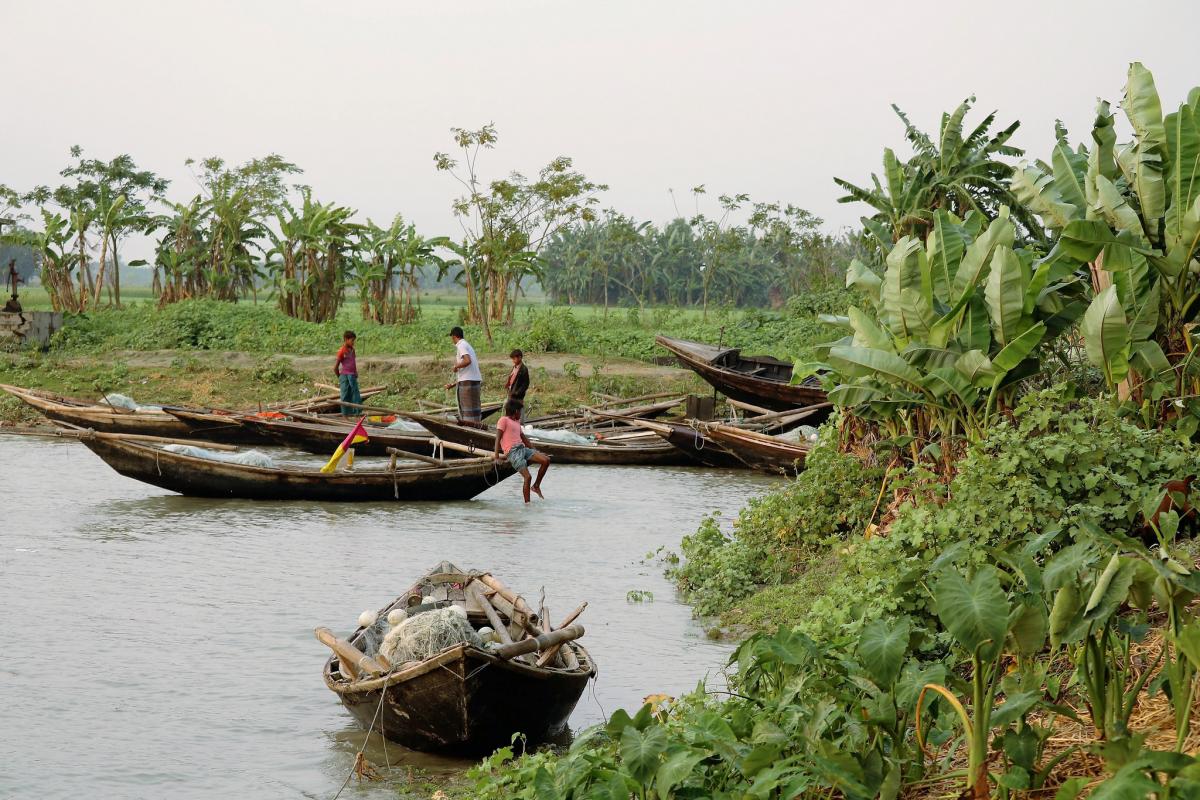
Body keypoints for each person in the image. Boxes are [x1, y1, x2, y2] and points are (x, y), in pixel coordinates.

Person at [493, 400, 550, 503]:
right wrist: (496, 457)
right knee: (528, 477)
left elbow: (524, 439)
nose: (520, 414)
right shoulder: (503, 420)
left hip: (522, 449)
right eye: (520, 412)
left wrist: (536, 451)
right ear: (515, 411)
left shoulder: (516, 422)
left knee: (546, 460)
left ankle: (536, 486)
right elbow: (497, 439)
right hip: (512, 452)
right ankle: (527, 504)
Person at [444, 326, 483, 426]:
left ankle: (470, 429)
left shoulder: (461, 345)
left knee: (467, 410)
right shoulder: (467, 345)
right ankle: (476, 427)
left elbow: (467, 361)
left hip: (468, 384)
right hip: (473, 382)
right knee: (474, 409)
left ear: (454, 336)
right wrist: (452, 385)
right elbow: (466, 374)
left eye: (452, 337)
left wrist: (456, 366)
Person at [334, 330, 361, 417]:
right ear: (346, 339)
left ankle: (356, 413)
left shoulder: (352, 350)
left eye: (354, 340)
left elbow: (353, 362)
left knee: (355, 394)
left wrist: (355, 372)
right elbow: (335, 368)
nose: (353, 342)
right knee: (345, 395)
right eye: (352, 340)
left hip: (352, 375)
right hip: (344, 376)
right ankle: (345, 415)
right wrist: (340, 377)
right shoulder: (342, 351)